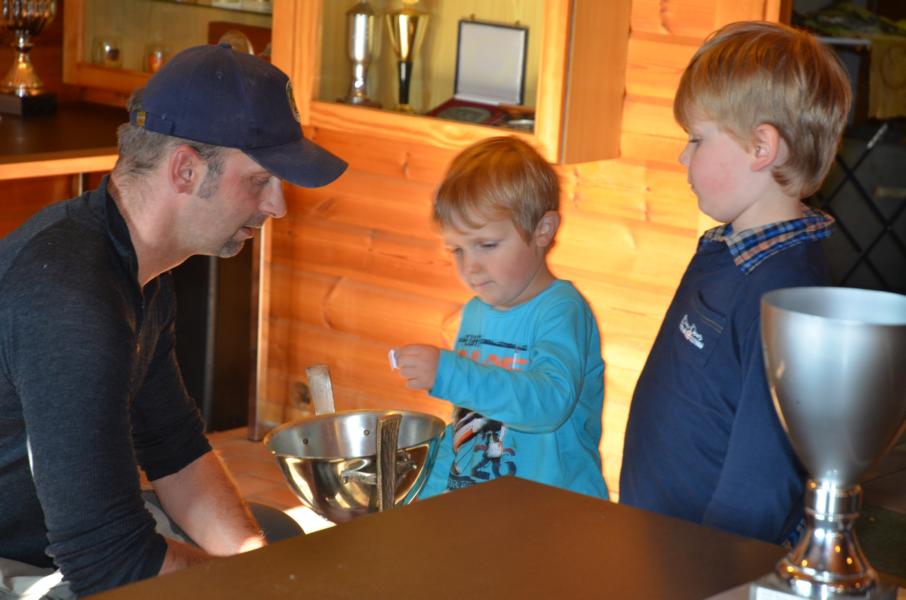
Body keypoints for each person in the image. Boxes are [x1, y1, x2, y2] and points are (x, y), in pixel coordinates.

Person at [0, 44, 347, 597]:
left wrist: (255, 566)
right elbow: (109, 563)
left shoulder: (139, 269)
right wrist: (257, 589)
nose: (278, 205)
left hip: (57, 541)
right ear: (186, 169)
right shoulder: (70, 298)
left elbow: (174, 448)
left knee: (273, 541)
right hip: (22, 562)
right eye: (260, 179)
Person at [619, 21, 852, 545]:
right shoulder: (728, 253)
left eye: (697, 139)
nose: (683, 156)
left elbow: (764, 476)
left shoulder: (785, 295)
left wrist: (718, 567)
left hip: (710, 562)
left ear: (760, 147)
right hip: (662, 546)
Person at [391, 136, 608, 500]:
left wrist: (450, 373)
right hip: (485, 509)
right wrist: (420, 499)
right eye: (457, 250)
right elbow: (466, 426)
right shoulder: (476, 312)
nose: (470, 267)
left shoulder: (562, 311)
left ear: (543, 230)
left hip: (555, 513)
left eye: (487, 245)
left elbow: (549, 403)